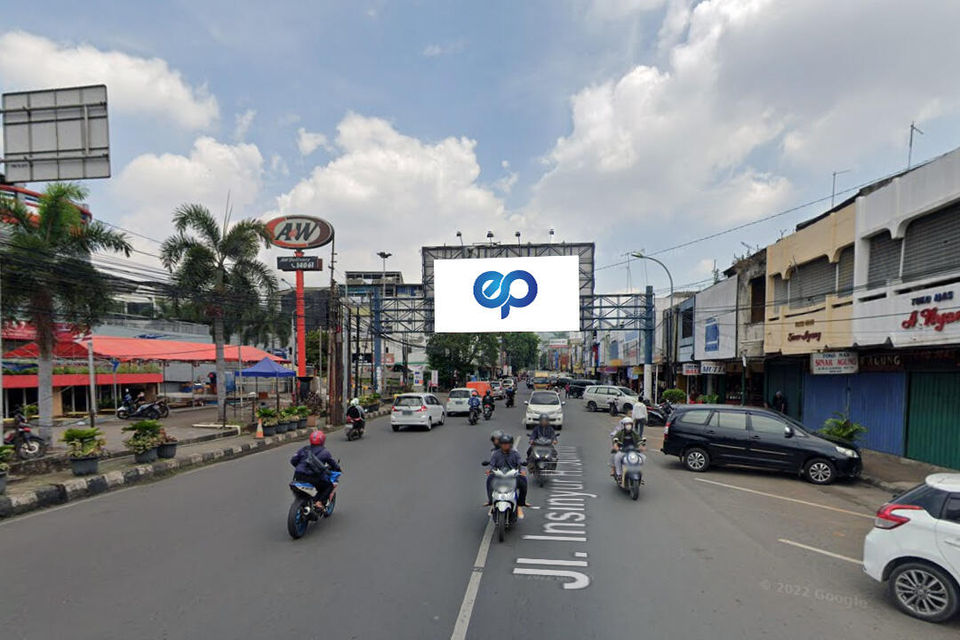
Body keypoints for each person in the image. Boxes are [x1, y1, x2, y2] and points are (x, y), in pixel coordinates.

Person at [290, 431, 342, 509]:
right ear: (322, 440)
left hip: (298, 475)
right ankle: (319, 502)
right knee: (329, 485)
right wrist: (338, 468)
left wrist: (300, 467)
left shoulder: (304, 449)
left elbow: (293, 460)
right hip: (312, 477)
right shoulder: (325, 452)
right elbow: (333, 464)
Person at [485, 433, 528, 518]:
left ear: (510, 444)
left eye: (507, 444)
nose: (505, 446)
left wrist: (522, 470)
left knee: (524, 481)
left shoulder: (515, 454)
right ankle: (491, 501)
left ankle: (520, 504)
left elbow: (519, 463)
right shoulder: (496, 454)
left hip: (512, 475)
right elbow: (492, 464)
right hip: (499, 475)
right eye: (503, 444)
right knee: (489, 480)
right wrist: (489, 470)